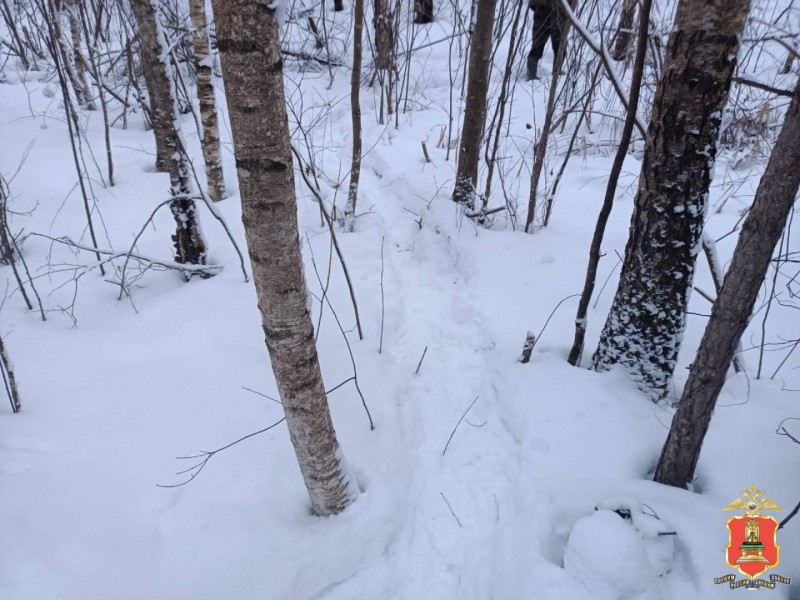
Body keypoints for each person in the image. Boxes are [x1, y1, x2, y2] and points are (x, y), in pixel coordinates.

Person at [527, 0, 564, 80]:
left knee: (537, 45)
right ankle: (557, 73)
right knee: (560, 45)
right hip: (557, 9)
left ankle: (531, 75)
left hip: (541, 7)